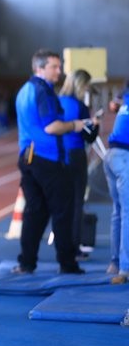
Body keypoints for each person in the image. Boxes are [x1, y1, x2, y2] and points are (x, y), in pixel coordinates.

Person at [13, 49, 90, 278]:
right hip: (49, 159)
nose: (59, 71)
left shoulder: (24, 91)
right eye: (55, 67)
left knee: (34, 212)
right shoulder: (43, 91)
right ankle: (68, 264)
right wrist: (75, 125)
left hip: (27, 157)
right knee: (62, 212)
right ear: (40, 68)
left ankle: (27, 263)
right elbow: (52, 127)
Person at [59, 69, 99, 257]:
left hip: (58, 156)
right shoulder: (79, 106)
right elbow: (89, 137)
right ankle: (72, 247)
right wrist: (96, 124)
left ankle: (62, 245)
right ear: (81, 86)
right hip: (75, 155)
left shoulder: (57, 102)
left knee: (61, 203)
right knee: (76, 203)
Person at [104, 84, 129, 277]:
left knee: (119, 211)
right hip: (123, 157)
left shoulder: (126, 97)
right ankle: (124, 267)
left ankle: (114, 263)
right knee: (127, 212)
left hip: (111, 155)